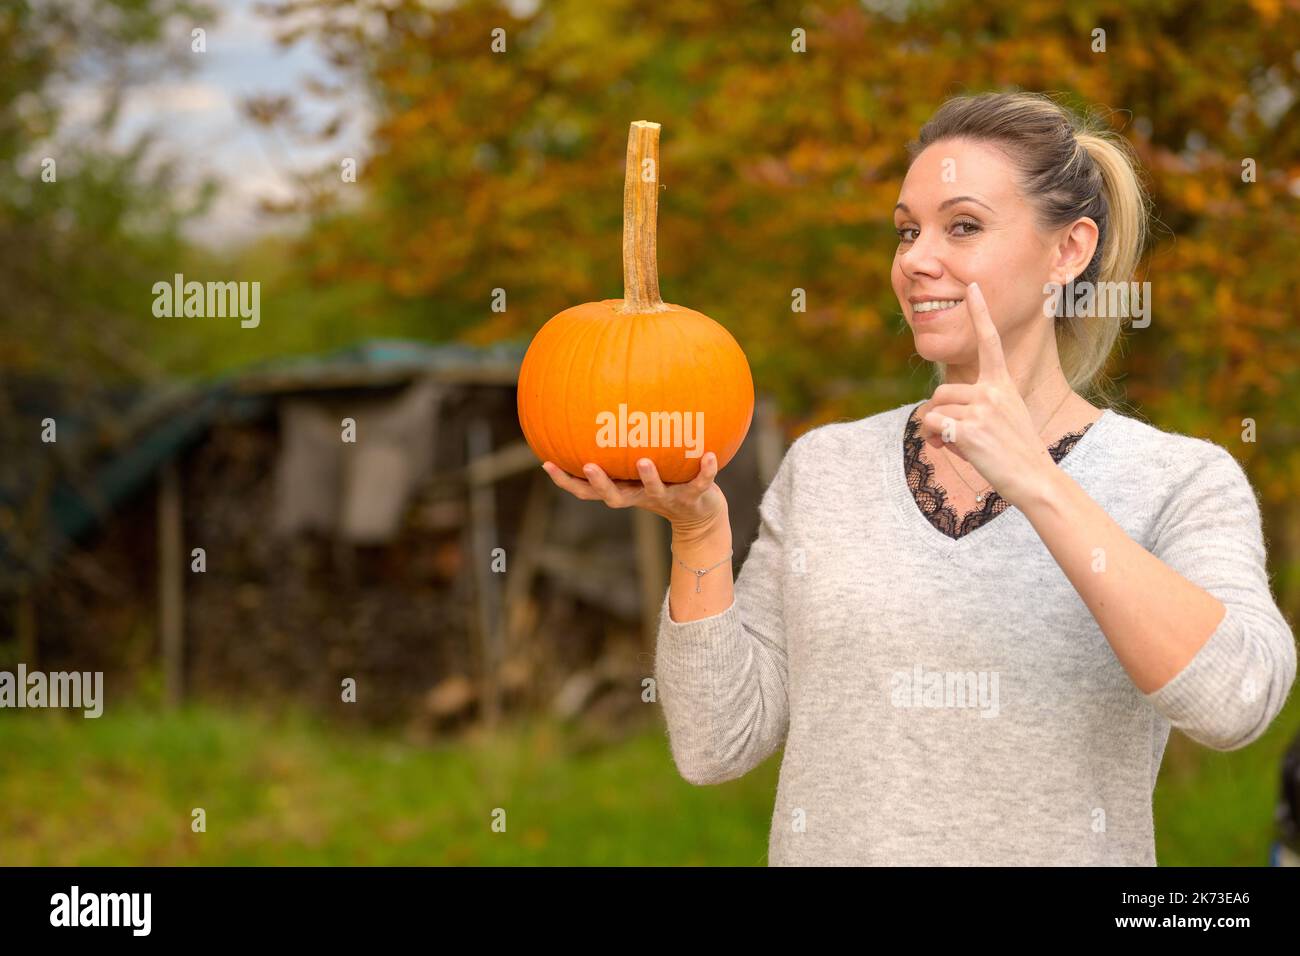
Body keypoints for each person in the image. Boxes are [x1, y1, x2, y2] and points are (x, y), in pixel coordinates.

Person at [540, 91, 1297, 865]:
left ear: (1068, 250)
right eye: (907, 230)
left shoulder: (1180, 480)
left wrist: (1036, 481)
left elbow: (1235, 700)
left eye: (961, 226)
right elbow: (717, 744)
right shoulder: (825, 468)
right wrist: (699, 529)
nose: (915, 258)